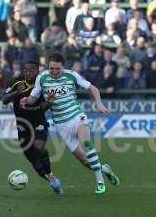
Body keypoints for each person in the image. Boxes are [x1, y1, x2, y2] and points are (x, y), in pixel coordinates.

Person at [20, 52, 119, 195]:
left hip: (76, 116)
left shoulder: (71, 75)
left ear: (63, 67)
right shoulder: (42, 78)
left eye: (57, 69)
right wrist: (26, 101)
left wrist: (99, 103)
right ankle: (105, 170)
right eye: (51, 68)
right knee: (85, 161)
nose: (54, 71)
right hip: (61, 124)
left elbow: (92, 88)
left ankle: (100, 182)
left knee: (87, 143)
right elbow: (33, 98)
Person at [1, 60, 63, 196]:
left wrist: (49, 101)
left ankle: (50, 174)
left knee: (39, 147)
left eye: (31, 70)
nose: (28, 72)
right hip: (22, 127)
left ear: (38, 71)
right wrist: (16, 93)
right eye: (26, 70)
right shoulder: (17, 82)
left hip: (38, 122)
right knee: (33, 160)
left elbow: (44, 107)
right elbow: (4, 100)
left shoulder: (42, 84)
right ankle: (51, 178)